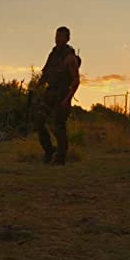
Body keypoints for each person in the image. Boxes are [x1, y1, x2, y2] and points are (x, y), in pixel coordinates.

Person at [33, 26, 81, 165]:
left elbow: (76, 80)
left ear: (67, 39)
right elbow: (45, 73)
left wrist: (68, 99)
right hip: (50, 93)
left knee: (58, 126)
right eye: (56, 36)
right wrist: (36, 87)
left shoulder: (70, 58)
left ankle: (60, 158)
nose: (57, 39)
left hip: (63, 94)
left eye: (61, 36)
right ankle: (49, 152)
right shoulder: (53, 54)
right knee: (39, 120)